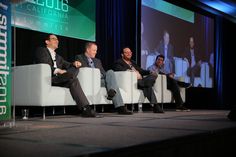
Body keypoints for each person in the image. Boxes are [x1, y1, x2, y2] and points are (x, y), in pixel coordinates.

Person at [34, 34, 100, 117]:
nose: (57, 41)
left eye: (57, 39)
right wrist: (58, 70)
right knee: (72, 77)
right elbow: (44, 65)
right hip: (49, 79)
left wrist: (74, 63)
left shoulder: (58, 57)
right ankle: (70, 76)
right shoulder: (41, 51)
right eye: (54, 39)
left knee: (74, 73)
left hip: (60, 79)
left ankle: (86, 109)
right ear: (47, 41)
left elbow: (68, 64)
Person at [75, 42, 132, 115]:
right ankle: (120, 107)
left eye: (96, 50)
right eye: (94, 50)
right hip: (91, 80)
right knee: (113, 84)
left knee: (110, 72)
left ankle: (112, 91)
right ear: (88, 50)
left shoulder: (97, 60)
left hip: (101, 80)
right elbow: (83, 71)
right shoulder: (79, 57)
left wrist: (107, 77)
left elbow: (104, 73)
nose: (96, 52)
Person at [113, 47, 164, 113]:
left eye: (130, 52)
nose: (129, 54)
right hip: (133, 82)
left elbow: (141, 71)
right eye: (126, 52)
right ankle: (155, 106)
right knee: (147, 85)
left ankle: (144, 84)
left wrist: (149, 72)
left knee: (153, 75)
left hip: (141, 80)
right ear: (122, 54)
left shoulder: (133, 62)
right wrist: (131, 72)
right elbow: (118, 69)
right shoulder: (119, 62)